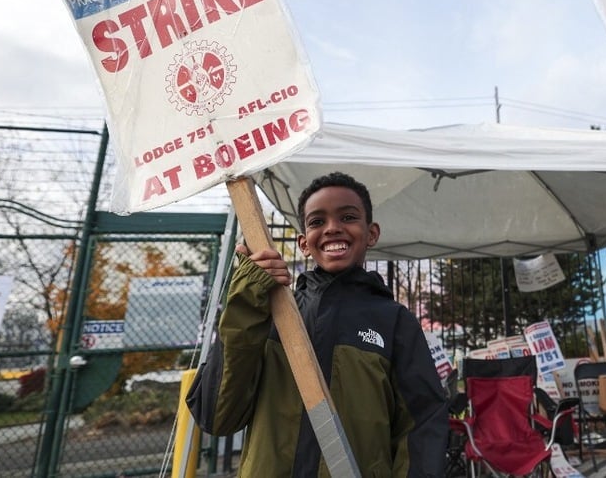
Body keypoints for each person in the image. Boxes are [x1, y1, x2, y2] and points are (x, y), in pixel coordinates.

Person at [187, 172, 448, 476]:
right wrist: (246, 299)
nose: (333, 229)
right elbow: (216, 417)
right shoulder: (266, 313)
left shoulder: (394, 322)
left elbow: (422, 426)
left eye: (348, 217)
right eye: (316, 222)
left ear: (371, 233)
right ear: (303, 243)